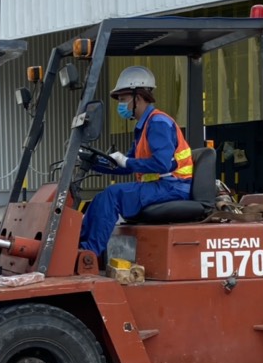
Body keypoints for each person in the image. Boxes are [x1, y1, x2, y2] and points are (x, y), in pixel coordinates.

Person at [78, 66, 193, 260]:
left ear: (137, 97)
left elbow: (162, 164)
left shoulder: (158, 123)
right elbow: (126, 166)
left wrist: (126, 161)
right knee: (100, 198)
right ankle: (80, 246)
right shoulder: (144, 126)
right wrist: (95, 162)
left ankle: (89, 255)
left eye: (123, 99)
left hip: (173, 187)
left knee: (112, 195)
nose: (120, 105)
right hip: (160, 186)